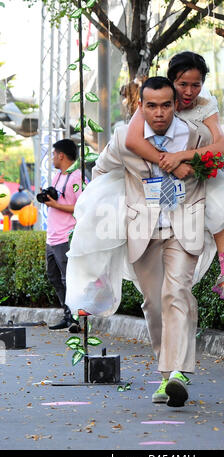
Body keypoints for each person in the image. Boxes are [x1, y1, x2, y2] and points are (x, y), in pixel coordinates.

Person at [87, 76, 211, 407]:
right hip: (143, 231)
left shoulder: (196, 136)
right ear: (141, 107)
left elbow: (217, 173)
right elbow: (100, 174)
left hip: (184, 228)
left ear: (176, 105)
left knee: (176, 293)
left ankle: (176, 375)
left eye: (166, 105)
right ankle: (166, 369)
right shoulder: (123, 140)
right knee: (154, 303)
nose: (159, 113)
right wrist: (103, 215)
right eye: (152, 106)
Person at [125, 51, 224, 304]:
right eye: (183, 85)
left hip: (197, 171)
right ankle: (101, 280)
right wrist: (169, 164)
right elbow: (132, 141)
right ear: (170, 83)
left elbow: (219, 146)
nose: (190, 91)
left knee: (223, 205)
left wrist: (182, 156)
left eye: (196, 85)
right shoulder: (156, 99)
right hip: (152, 175)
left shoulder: (205, 106)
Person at [43, 139, 83, 331]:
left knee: (69, 279)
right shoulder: (57, 176)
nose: (52, 158)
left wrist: (56, 205)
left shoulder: (77, 177)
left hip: (66, 236)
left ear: (61, 155)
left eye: (53, 154)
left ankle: (74, 318)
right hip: (52, 236)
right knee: (53, 276)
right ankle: (66, 314)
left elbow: (82, 206)